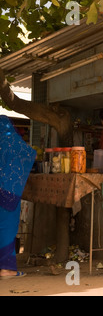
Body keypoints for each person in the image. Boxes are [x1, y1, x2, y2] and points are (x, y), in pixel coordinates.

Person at [0, 115, 36, 279]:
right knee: (7, 227)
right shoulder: (12, 143)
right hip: (7, 192)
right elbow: (27, 153)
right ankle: (7, 269)